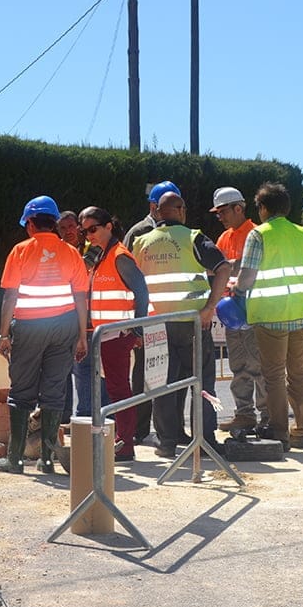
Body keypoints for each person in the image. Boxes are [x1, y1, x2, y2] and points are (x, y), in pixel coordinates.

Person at [133, 191, 231, 458]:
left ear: (158, 212)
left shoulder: (141, 242)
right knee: (203, 384)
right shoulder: (192, 238)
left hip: (156, 326)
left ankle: (166, 443)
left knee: (162, 387)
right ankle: (205, 441)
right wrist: (210, 307)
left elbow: (133, 285)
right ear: (181, 210)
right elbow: (223, 267)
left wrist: (137, 324)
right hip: (192, 324)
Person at [0, 195, 88, 474]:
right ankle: (46, 459)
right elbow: (81, 297)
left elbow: (10, 296)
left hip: (29, 328)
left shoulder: (20, 251)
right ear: (55, 223)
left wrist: (3, 335)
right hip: (65, 328)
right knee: (53, 391)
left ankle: (15, 459)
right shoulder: (71, 253)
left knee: (21, 391)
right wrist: (82, 337)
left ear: (30, 225)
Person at [235, 183, 303, 450]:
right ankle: (302, 430)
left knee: (273, 375)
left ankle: (280, 431)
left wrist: (234, 289)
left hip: (271, 316)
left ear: (263, 208)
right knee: (299, 373)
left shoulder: (259, 235)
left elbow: (247, 278)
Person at [78, 206, 150, 462]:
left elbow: (142, 292)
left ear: (109, 226)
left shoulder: (119, 255)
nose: (88, 235)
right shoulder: (99, 255)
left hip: (117, 335)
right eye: (84, 231)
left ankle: (126, 444)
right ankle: (122, 439)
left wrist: (137, 328)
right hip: (104, 334)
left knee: (119, 389)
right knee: (115, 388)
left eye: (93, 229)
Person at [125, 181, 183, 443]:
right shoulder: (139, 232)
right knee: (145, 373)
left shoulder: (178, 232)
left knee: (170, 374)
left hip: (171, 316)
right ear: (154, 207)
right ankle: (139, 428)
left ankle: (169, 429)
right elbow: (127, 276)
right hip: (148, 317)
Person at [210, 186, 269, 434]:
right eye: (217, 213)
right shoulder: (224, 238)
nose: (220, 217)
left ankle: (268, 416)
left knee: (260, 367)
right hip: (233, 315)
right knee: (239, 367)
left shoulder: (255, 234)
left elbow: (248, 269)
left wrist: (228, 267)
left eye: (223, 211)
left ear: (239, 208)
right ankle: (244, 414)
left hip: (255, 312)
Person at [58, 210, 109, 422]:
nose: (68, 231)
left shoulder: (92, 248)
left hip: (89, 322)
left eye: (72, 226)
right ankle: (66, 418)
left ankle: (91, 419)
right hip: (64, 319)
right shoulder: (58, 251)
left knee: (89, 372)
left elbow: (80, 270)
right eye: (63, 228)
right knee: (64, 373)